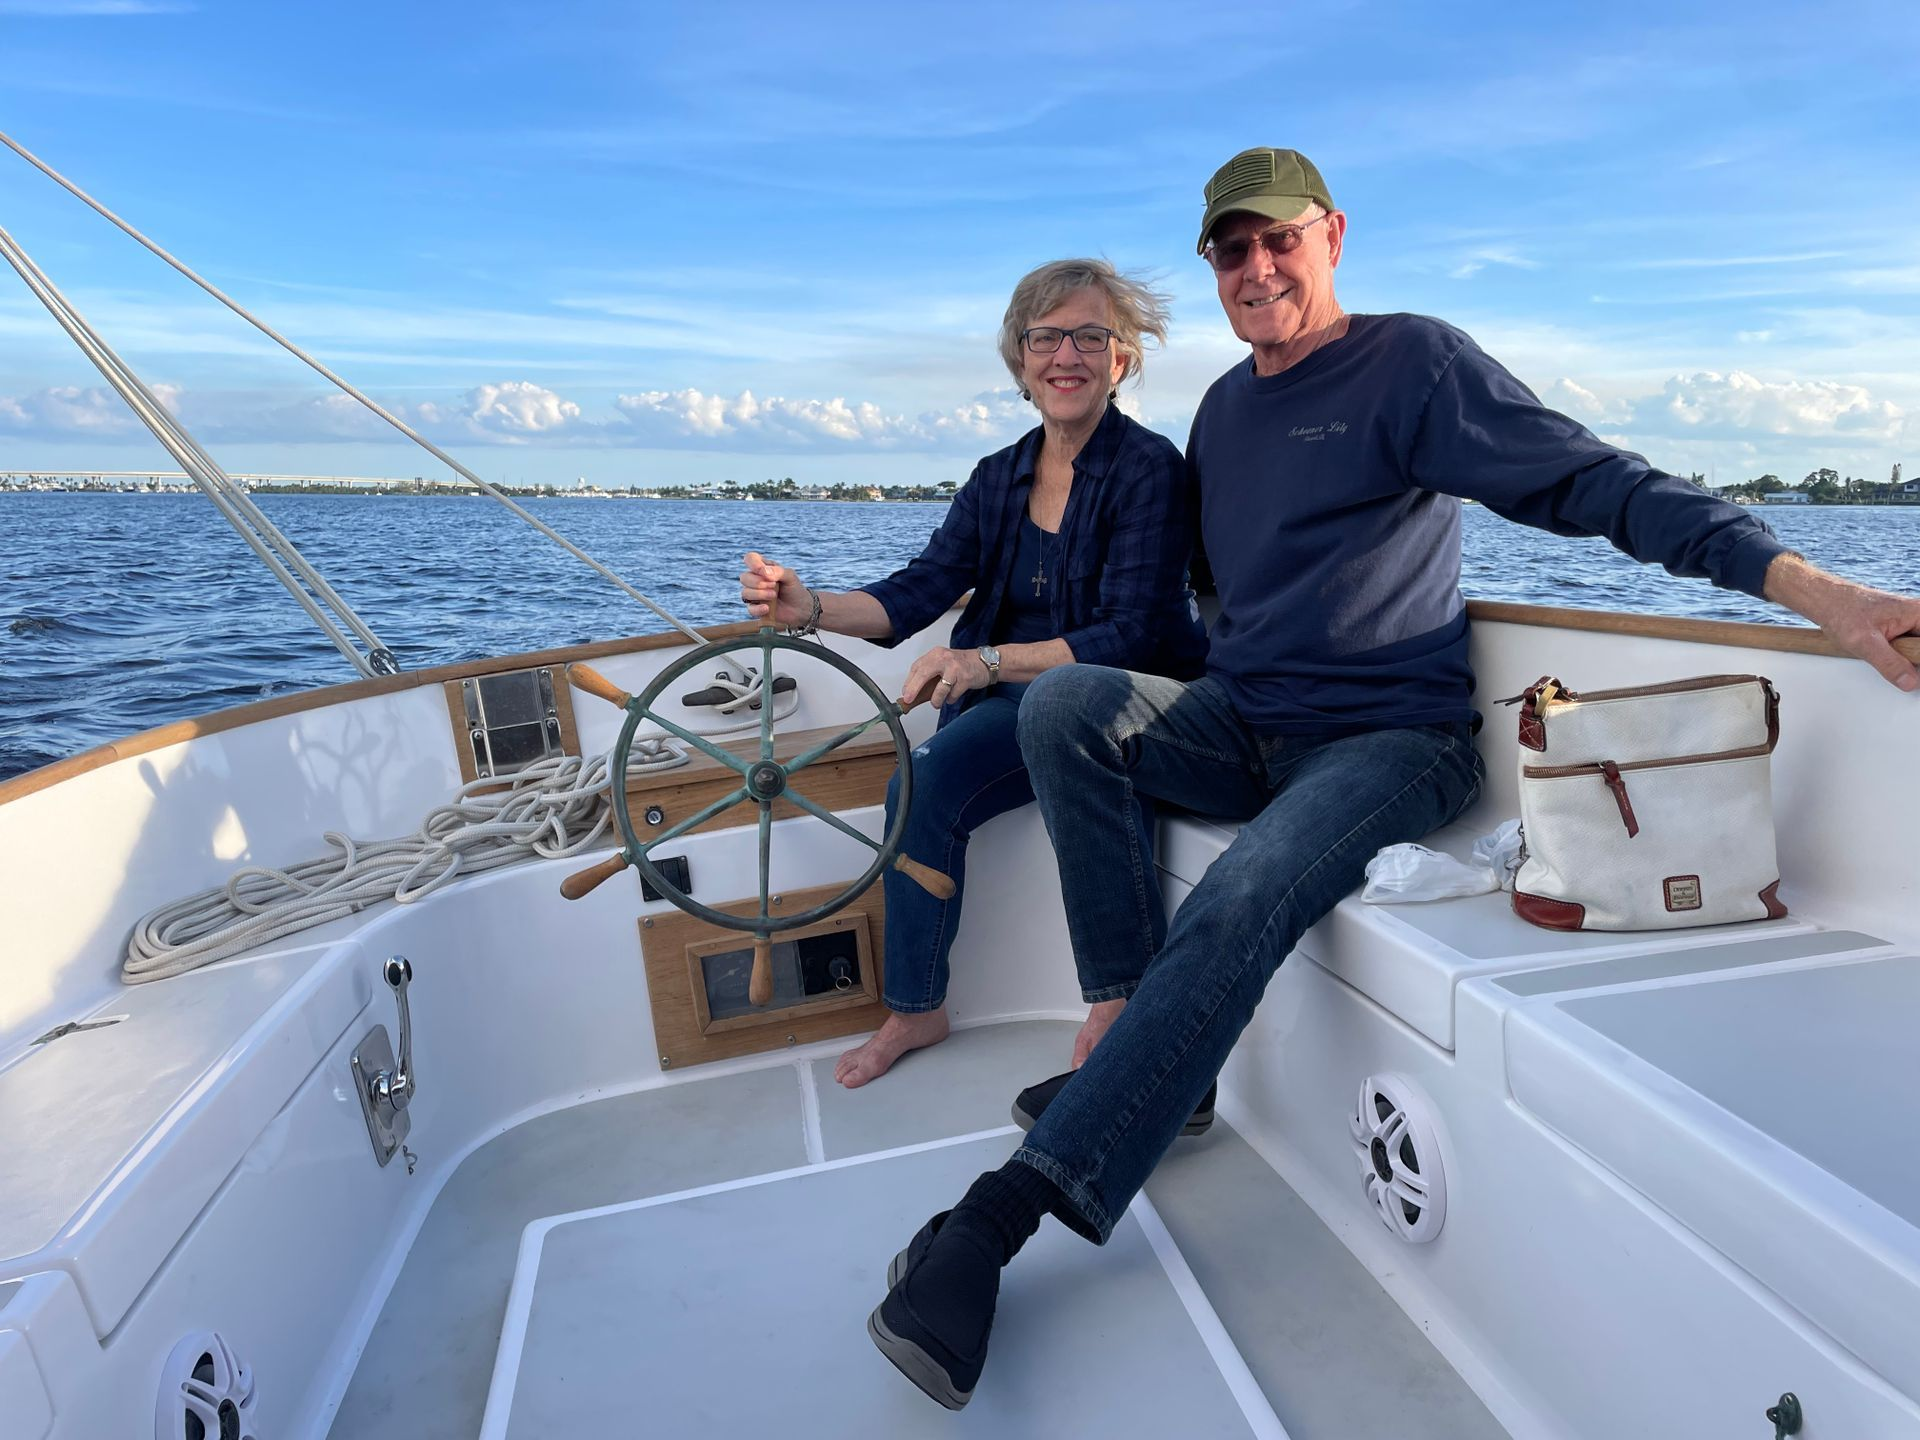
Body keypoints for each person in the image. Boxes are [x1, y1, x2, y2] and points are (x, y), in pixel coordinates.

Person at [867, 146, 1920, 1409]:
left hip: (1390, 740)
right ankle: (1148, 1051)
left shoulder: (1411, 364)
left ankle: (998, 1220)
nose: (1258, 267)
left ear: (1332, 236)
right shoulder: (1223, 413)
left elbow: (1597, 484)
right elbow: (1187, 601)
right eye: (1232, 248)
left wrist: (1813, 589)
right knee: (1069, 705)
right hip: (1245, 718)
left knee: (1245, 891)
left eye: (1280, 239)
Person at [739, 259, 1206, 1089]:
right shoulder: (999, 477)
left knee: (1074, 743)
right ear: (1020, 359)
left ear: (1121, 358)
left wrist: (983, 661)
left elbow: (1135, 633)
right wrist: (807, 606)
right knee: (916, 786)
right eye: (1046, 338)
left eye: (1089, 336)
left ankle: (1125, 1003)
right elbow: (918, 590)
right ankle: (916, 1007)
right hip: (1012, 706)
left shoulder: (1150, 470)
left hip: (1120, 702)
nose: (1067, 356)